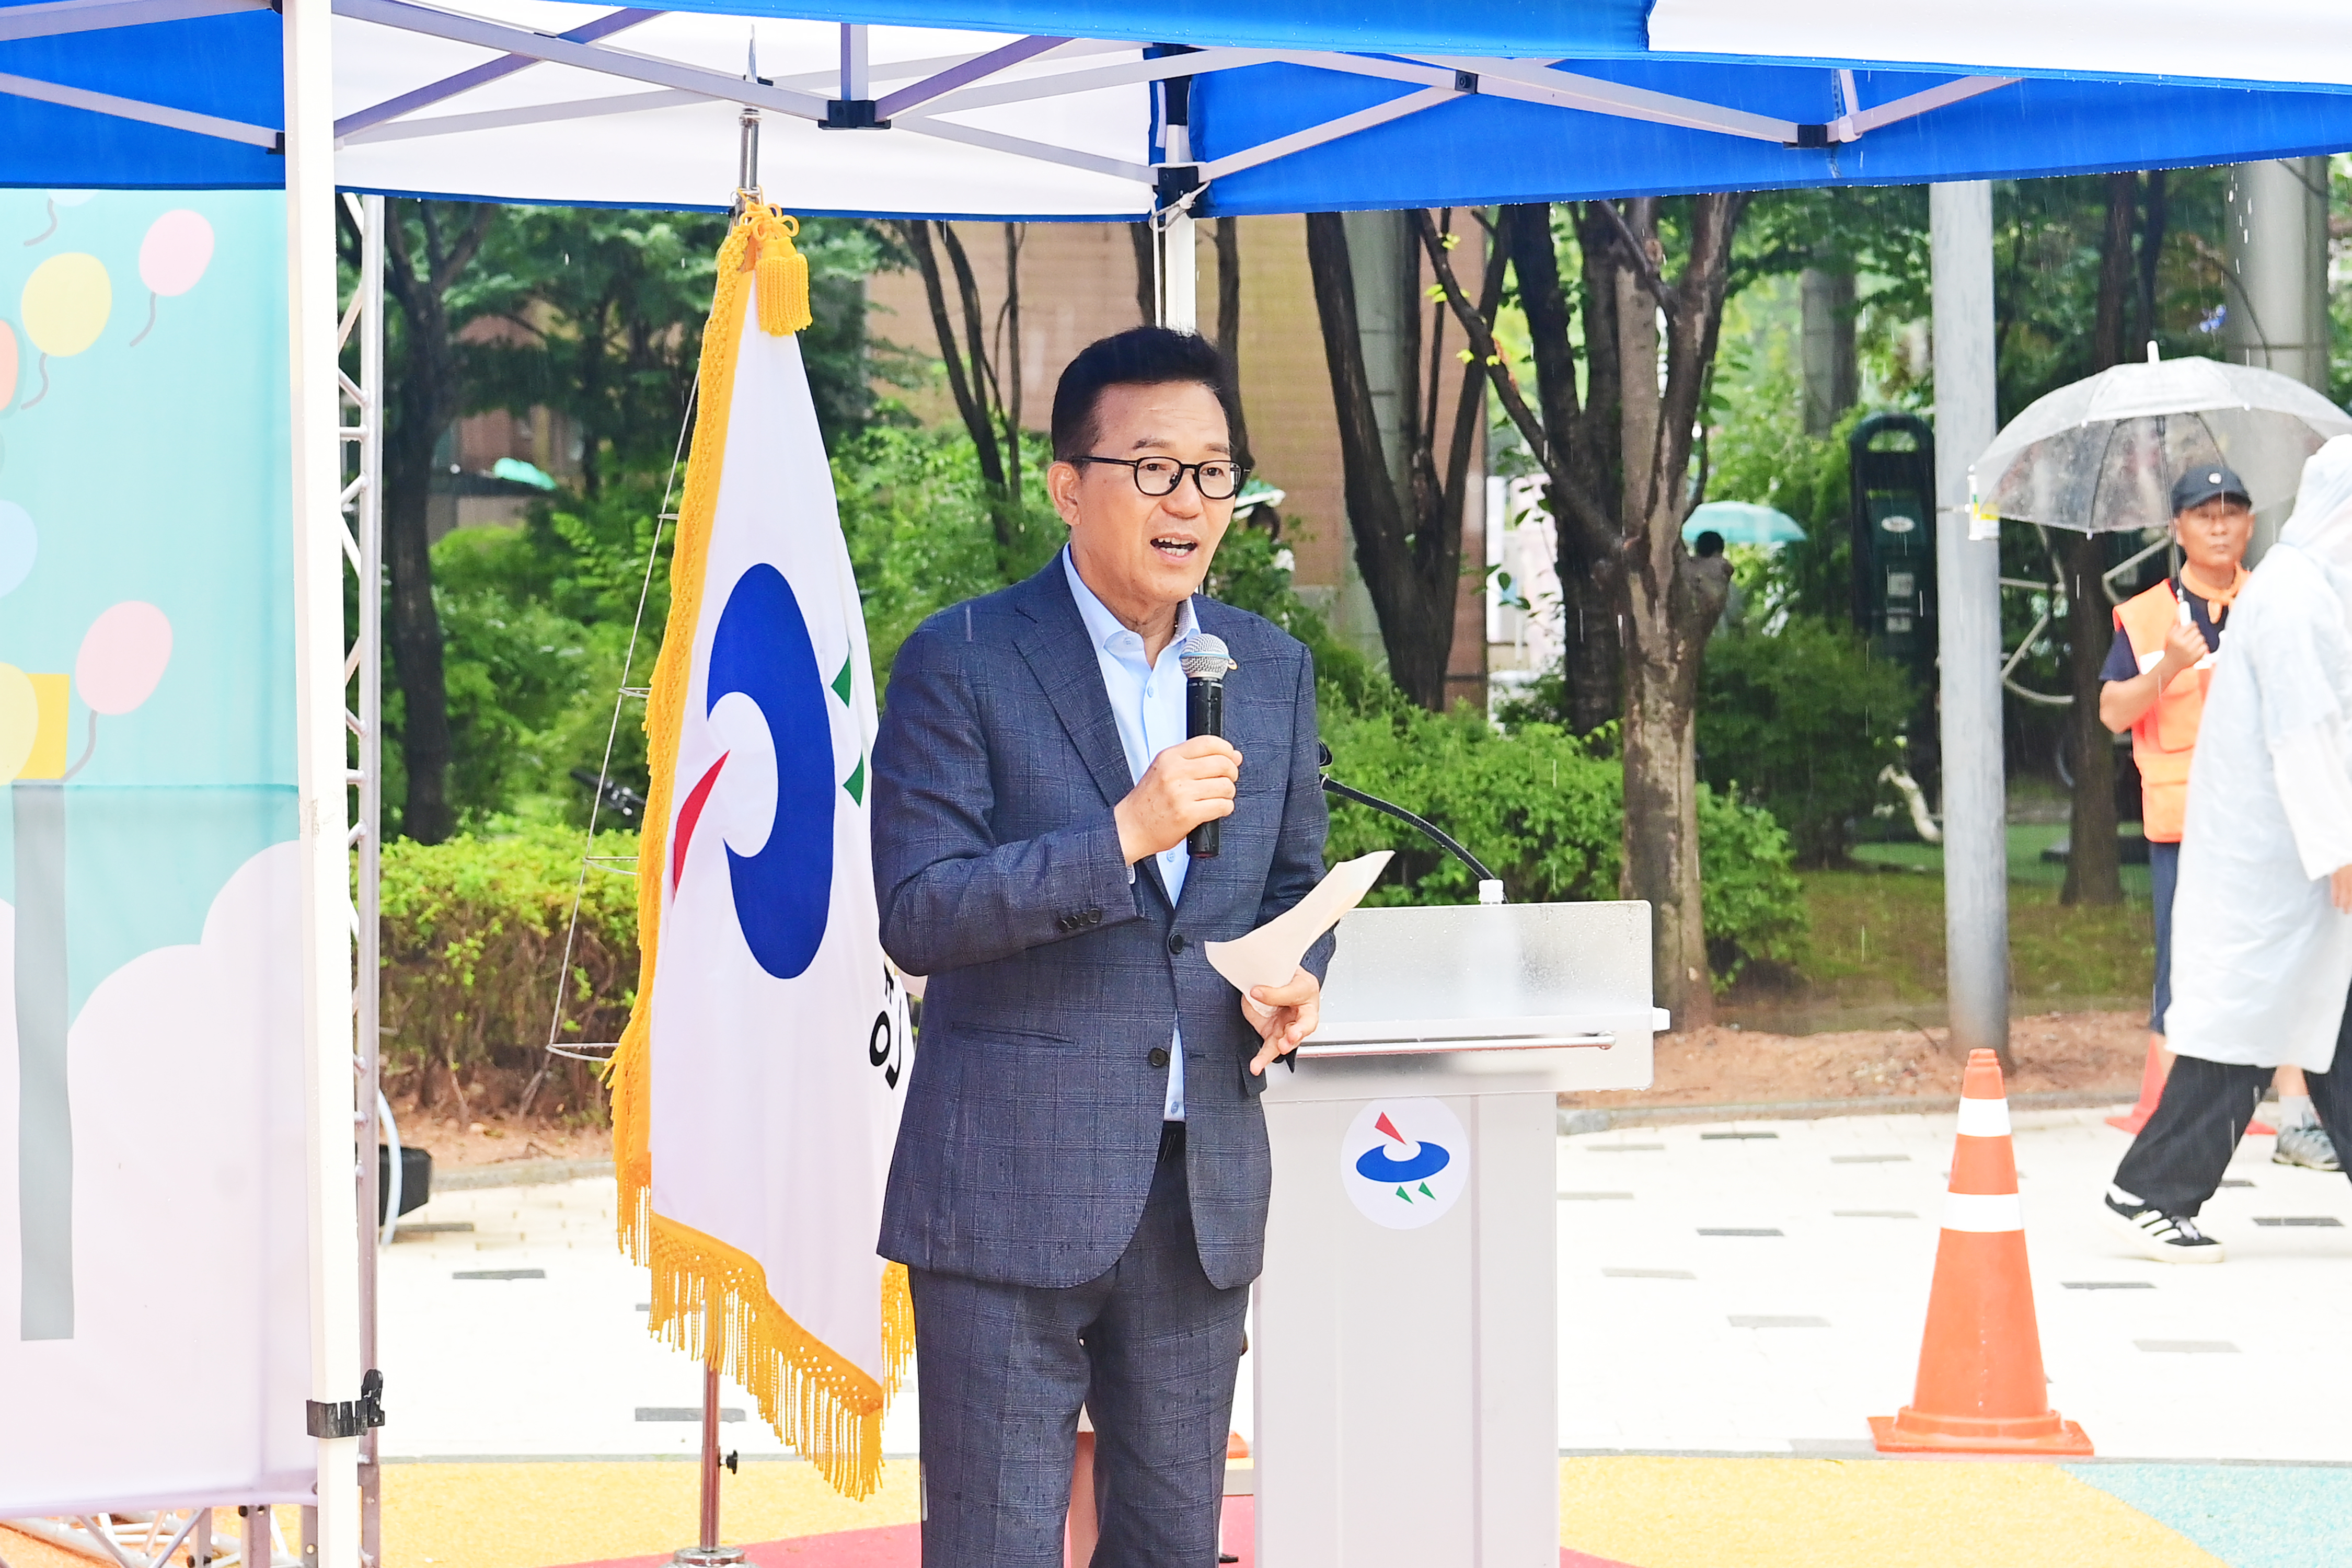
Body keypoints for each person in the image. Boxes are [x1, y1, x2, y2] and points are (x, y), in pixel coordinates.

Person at [870, 327, 1332, 1565]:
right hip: (1010, 1189)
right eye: (1155, 470)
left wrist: (1293, 986)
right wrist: (1123, 833)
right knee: (996, 1547)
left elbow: (1289, 885)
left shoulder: (1268, 669)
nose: (1190, 504)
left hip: (1200, 1195)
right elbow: (919, 909)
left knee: (1173, 1549)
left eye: (1215, 474)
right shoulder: (960, 659)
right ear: (1069, 482)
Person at [2102, 437, 2352, 1261]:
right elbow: (2305, 736)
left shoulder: (2300, 590)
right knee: (2247, 1036)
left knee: (2327, 1021)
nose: (2222, 525)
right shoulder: (2294, 602)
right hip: (2271, 864)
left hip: (2286, 861)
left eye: (2233, 510)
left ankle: (2154, 1186)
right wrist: (2339, 851)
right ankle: (2152, 1189)